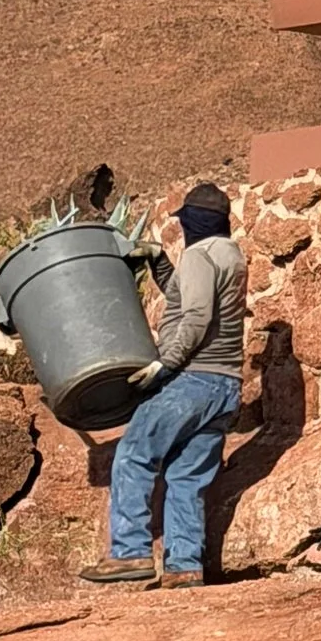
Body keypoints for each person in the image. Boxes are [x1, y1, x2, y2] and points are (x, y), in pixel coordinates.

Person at [82, 184, 247, 589]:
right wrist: (158, 263)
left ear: (193, 223)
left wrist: (164, 364)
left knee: (135, 452)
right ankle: (185, 566)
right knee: (188, 477)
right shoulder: (231, 255)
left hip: (193, 379)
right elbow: (187, 295)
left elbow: (193, 317)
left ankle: (130, 552)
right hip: (226, 386)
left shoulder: (198, 254)